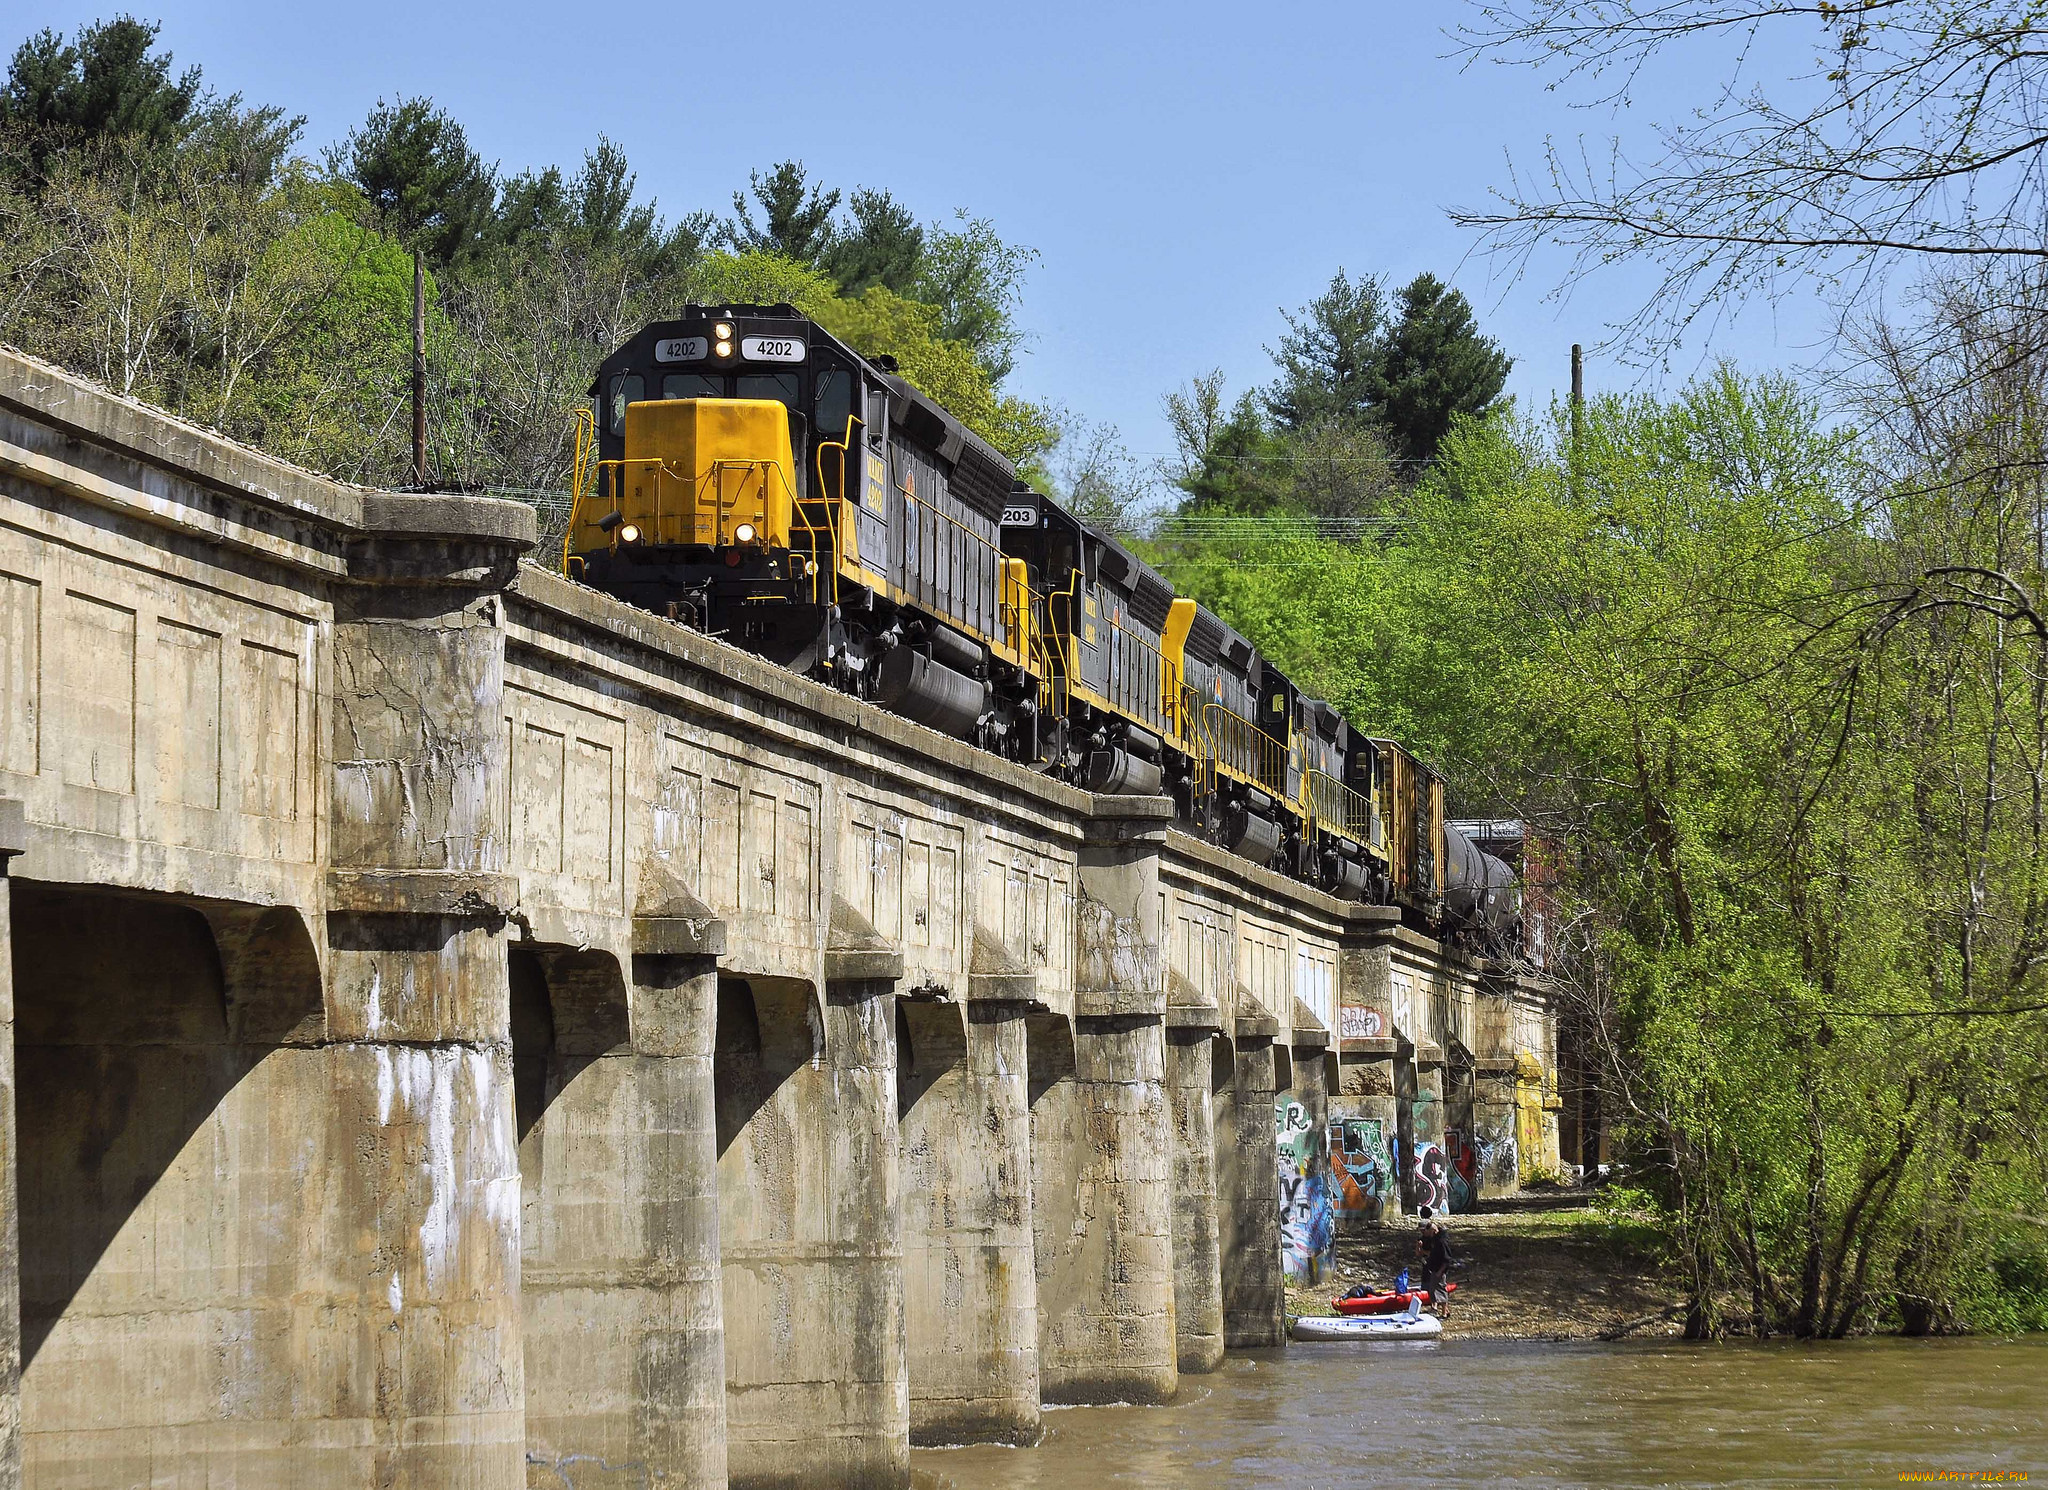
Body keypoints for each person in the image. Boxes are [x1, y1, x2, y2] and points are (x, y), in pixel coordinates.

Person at [1416, 1207, 1452, 1316]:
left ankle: (1444, 1312)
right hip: (1433, 1268)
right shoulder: (1433, 1240)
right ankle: (1437, 1309)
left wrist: (1440, 1272)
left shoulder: (1441, 1241)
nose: (1423, 1233)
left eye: (1425, 1231)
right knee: (1432, 1290)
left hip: (1439, 1269)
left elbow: (1446, 1259)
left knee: (1441, 1289)